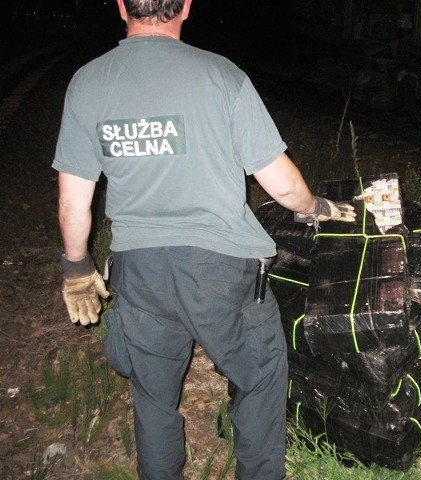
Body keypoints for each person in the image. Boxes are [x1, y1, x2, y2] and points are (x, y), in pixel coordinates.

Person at [52, 1, 356, 478]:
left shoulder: (89, 81)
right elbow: (281, 185)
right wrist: (314, 207)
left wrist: (76, 270)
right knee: (259, 378)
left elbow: (73, 201)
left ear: (121, 7)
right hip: (221, 269)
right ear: (186, 6)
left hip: (141, 270)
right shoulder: (222, 76)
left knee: (152, 396)